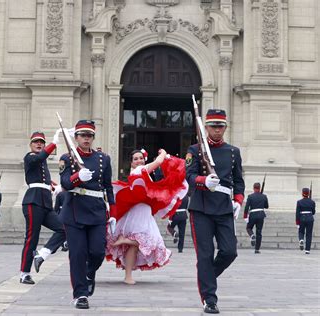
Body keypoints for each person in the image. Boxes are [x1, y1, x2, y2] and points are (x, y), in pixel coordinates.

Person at [185, 109, 245, 314]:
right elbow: (190, 177)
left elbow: (238, 180)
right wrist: (203, 181)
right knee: (205, 254)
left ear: (225, 128)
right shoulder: (195, 150)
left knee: (229, 251)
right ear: (206, 128)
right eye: (213, 126)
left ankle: (206, 275)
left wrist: (238, 200)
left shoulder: (233, 151)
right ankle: (209, 299)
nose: (217, 130)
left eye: (220, 126)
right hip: (201, 207)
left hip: (224, 208)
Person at [106, 149, 187, 285]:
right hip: (140, 211)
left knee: (136, 245)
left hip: (141, 210)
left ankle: (128, 276)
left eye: (141, 158)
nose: (139, 161)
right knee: (151, 240)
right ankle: (124, 240)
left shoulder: (140, 172)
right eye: (135, 159)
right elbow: (158, 162)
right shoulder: (140, 170)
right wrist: (163, 153)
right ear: (131, 163)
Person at [59, 120, 116, 309]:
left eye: (89, 135)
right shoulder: (67, 158)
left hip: (97, 210)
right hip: (74, 211)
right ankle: (80, 294)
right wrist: (77, 178)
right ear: (76, 138)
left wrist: (113, 212)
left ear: (93, 138)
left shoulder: (103, 158)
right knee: (77, 254)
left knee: (98, 252)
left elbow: (108, 187)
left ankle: (89, 273)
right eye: (82, 135)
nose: (86, 138)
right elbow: (65, 183)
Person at [20, 130, 66, 285]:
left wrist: (56, 186)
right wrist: (54, 143)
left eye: (41, 142)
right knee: (32, 237)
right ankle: (24, 273)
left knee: (64, 228)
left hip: (45, 203)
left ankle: (42, 254)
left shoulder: (42, 161)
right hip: (33, 202)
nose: (39, 144)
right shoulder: (30, 157)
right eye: (36, 142)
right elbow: (40, 157)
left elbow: (44, 179)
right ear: (30, 144)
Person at [243, 182, 268, 253]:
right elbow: (266, 206)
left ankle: (252, 235)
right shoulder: (264, 196)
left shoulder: (250, 196)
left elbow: (247, 207)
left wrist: (245, 216)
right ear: (260, 188)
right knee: (259, 232)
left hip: (253, 215)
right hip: (261, 215)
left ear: (253, 188)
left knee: (248, 228)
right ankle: (257, 249)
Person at [296, 187, 315, 254]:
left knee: (301, 231)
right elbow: (313, 212)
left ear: (302, 193)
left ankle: (301, 239)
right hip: (310, 218)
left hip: (302, 218)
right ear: (309, 193)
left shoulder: (299, 202)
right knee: (309, 234)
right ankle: (307, 250)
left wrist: (297, 222)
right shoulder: (312, 202)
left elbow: (297, 213)